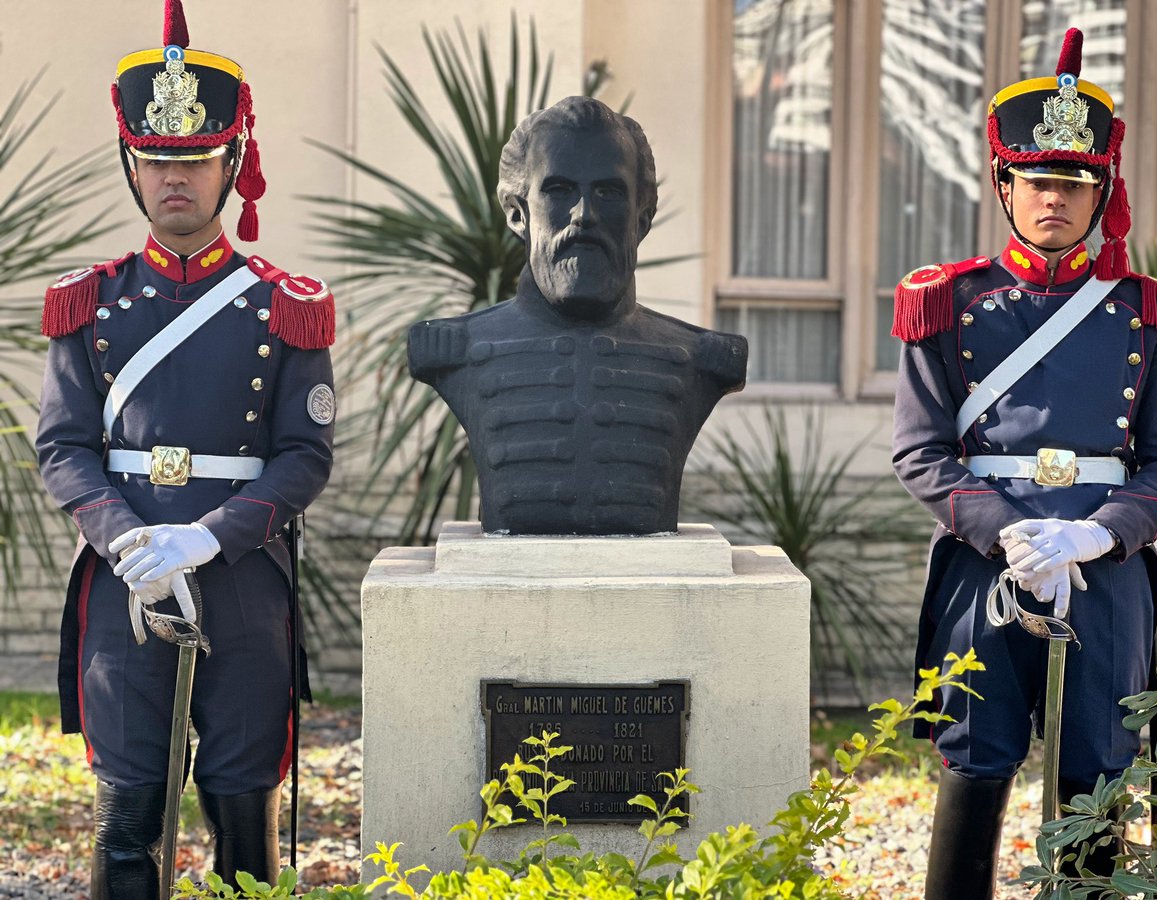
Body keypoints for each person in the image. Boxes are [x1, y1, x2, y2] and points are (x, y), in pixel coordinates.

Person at [35, 1, 335, 895]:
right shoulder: (89, 302)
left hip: (240, 581)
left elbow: (304, 454)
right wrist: (126, 540)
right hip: (124, 583)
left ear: (232, 163)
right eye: (158, 160)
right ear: (132, 166)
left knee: (241, 803)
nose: (176, 178)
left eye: (196, 159)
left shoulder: (285, 305)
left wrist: (209, 537)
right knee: (127, 808)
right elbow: (61, 446)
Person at [891, 28, 1157, 899]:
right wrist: (1009, 529)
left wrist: (1103, 536)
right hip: (989, 563)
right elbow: (919, 448)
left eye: (1074, 184)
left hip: (1106, 572)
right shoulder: (947, 303)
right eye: (1038, 182)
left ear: (1101, 193)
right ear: (1004, 186)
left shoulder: (1148, 315)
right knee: (975, 758)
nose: (1055, 199)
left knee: (1096, 771)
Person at [408, 96, 747, 536]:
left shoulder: (704, 359)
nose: (584, 215)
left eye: (608, 192)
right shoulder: (451, 351)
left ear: (642, 218)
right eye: (559, 190)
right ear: (517, 213)